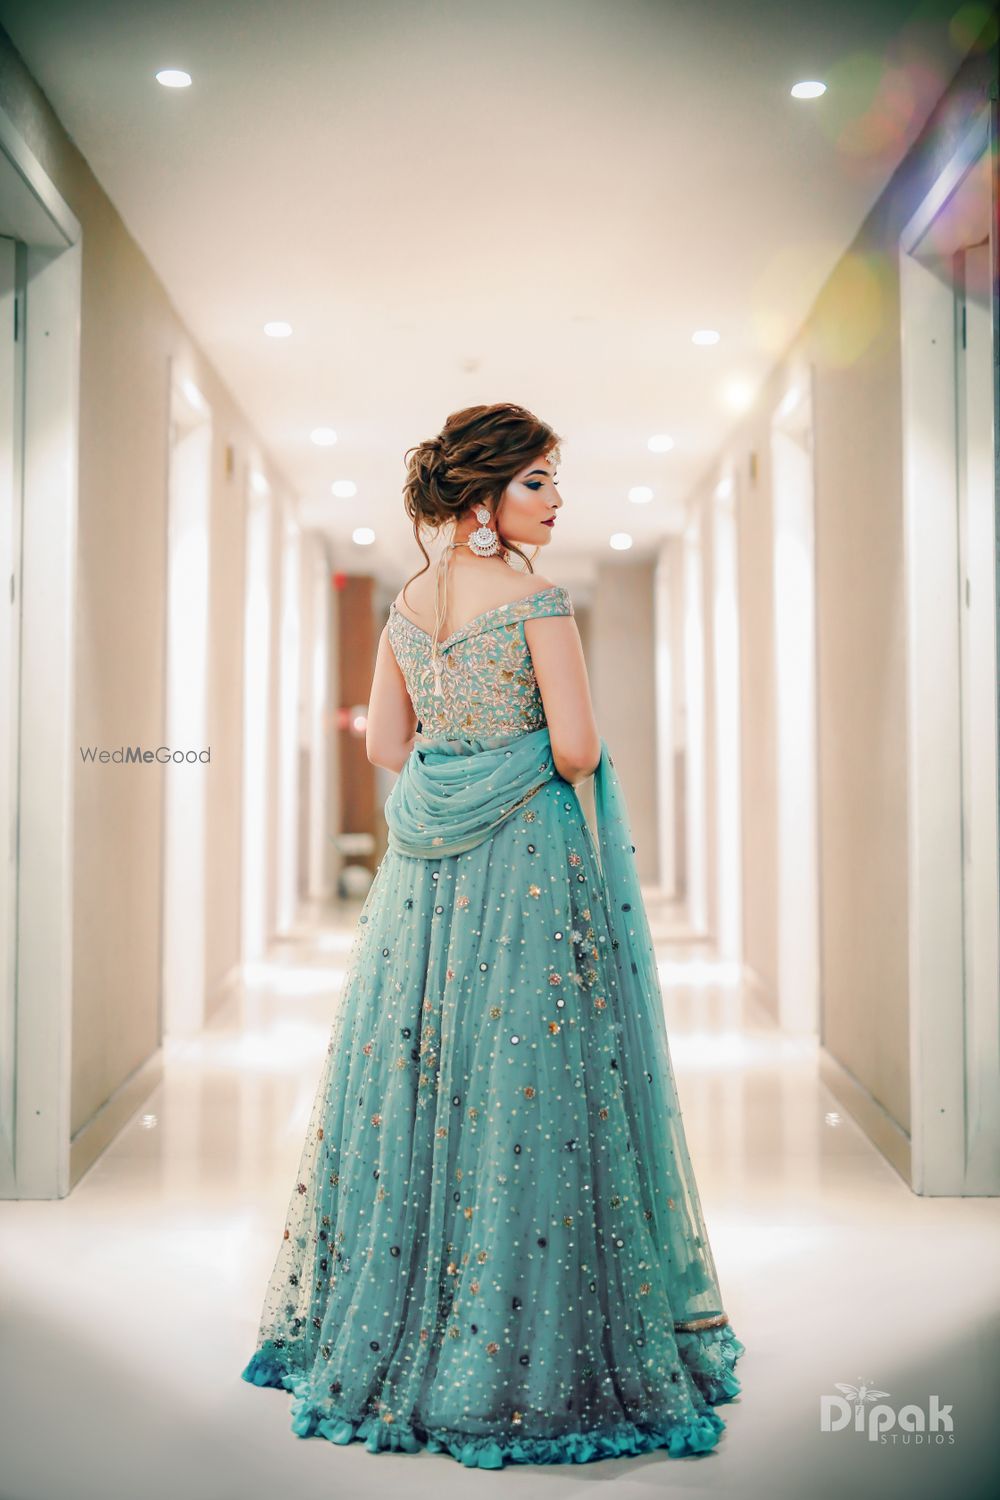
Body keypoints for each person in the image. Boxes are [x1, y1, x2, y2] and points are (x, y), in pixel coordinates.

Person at [240, 401, 745, 1468]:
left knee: (423, 1075)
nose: (556, 501)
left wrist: (457, 752)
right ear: (482, 498)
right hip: (521, 867)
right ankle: (522, 1352)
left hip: (425, 877)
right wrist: (544, 747)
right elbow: (573, 749)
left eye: (554, 482)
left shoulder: (408, 607)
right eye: (537, 483)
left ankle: (397, 1332)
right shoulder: (535, 602)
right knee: (534, 1081)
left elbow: (386, 746)